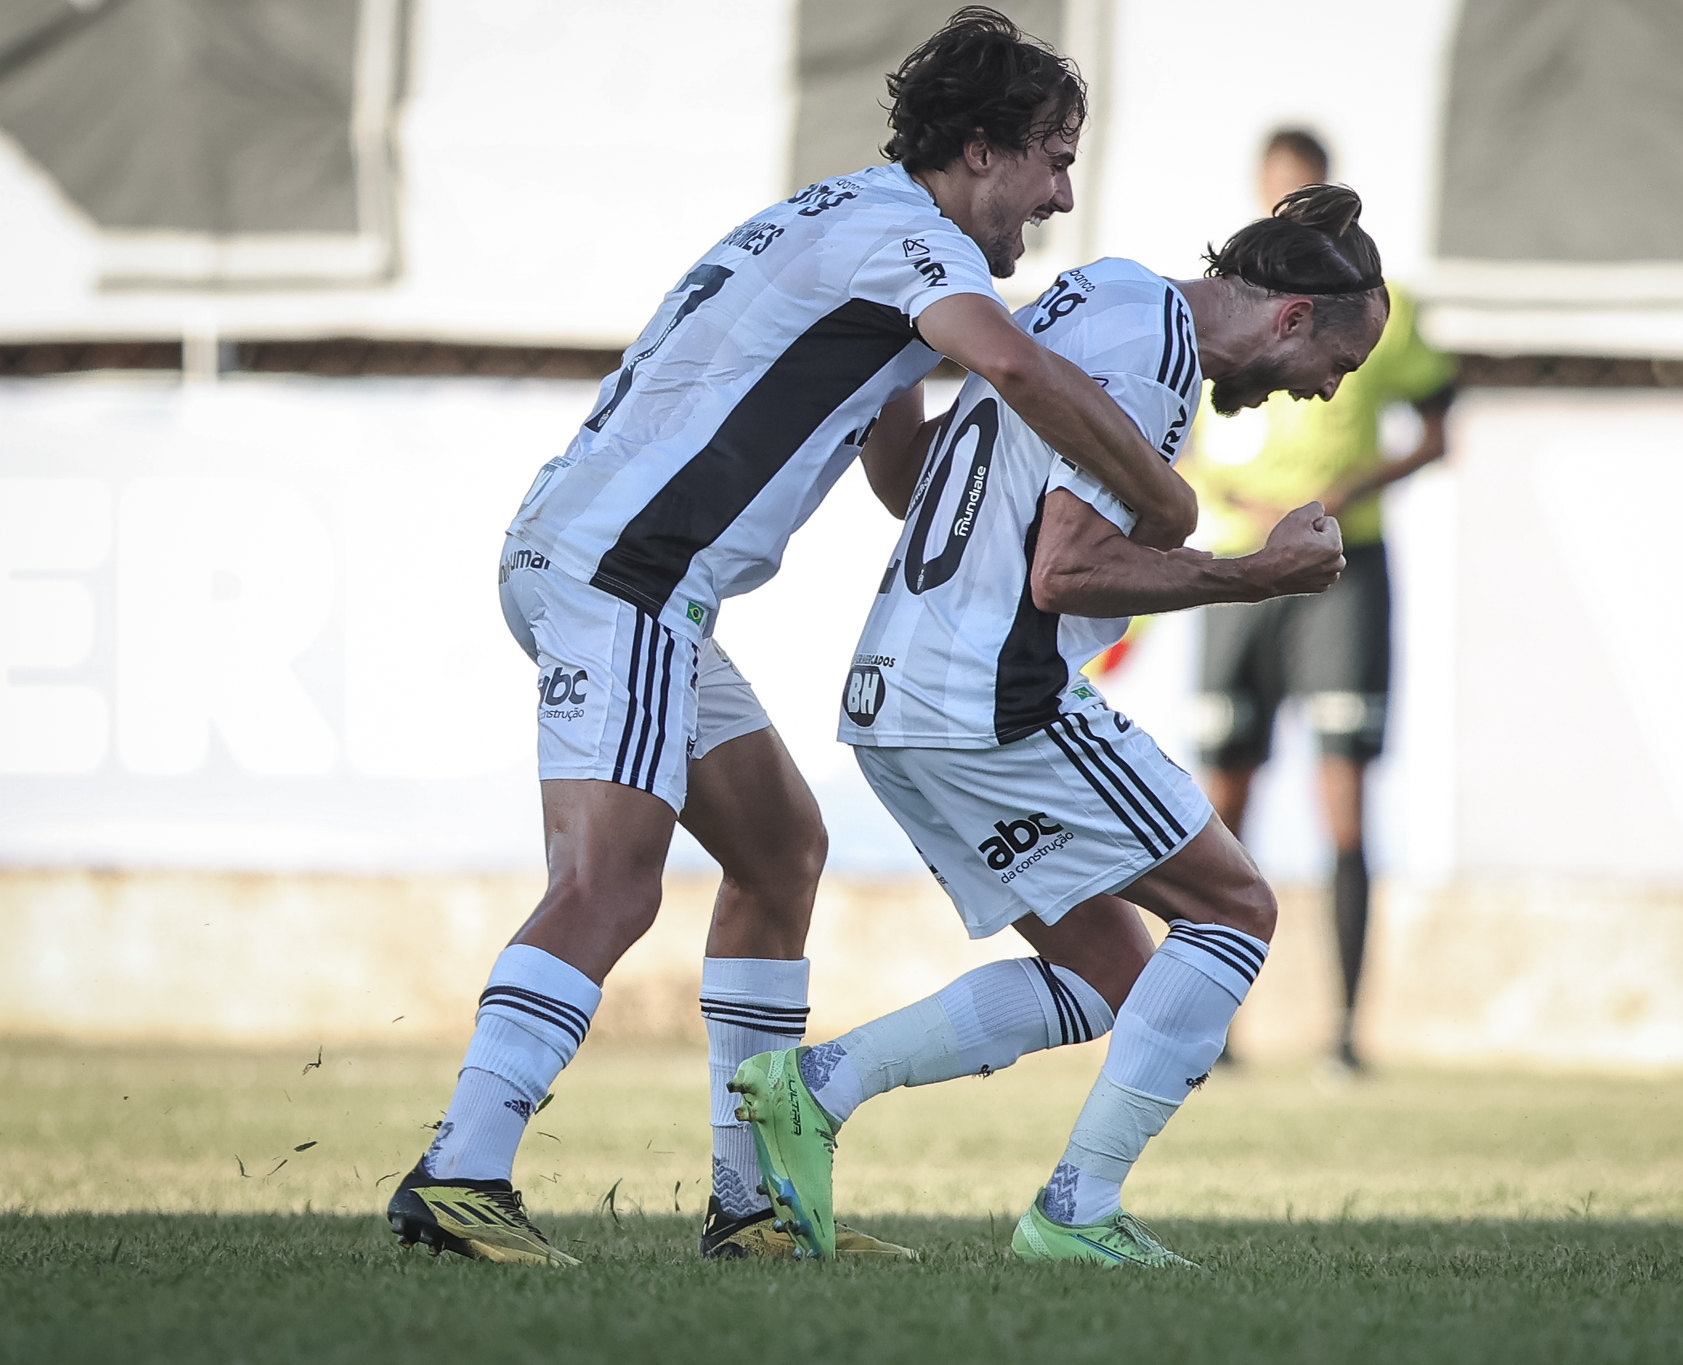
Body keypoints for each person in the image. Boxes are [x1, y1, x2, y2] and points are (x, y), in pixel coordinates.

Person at [385, 6, 1200, 1267]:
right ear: (978, 149)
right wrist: (1160, 496)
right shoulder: (921, 245)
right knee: (609, 884)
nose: (1060, 191)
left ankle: (753, 1199)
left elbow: (897, 467)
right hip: (628, 572)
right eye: (1051, 154)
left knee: (778, 850)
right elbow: (1021, 373)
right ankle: (461, 1174)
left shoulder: (851, 218)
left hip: (620, 567)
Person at [731, 185, 1388, 1267]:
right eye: (1337, 366)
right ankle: (1075, 1213)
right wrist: (1254, 572)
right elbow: (1068, 569)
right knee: (1232, 911)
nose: (1323, 393)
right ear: (1290, 318)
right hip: (990, 695)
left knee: (1110, 982)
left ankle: (813, 1088)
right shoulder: (1152, 355)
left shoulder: (1105, 293)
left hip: (898, 695)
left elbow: (932, 484)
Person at [1187, 129, 1456, 1073]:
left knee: (1343, 798)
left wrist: (1353, 490)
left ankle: (1344, 1031)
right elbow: (1165, 436)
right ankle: (1211, 1029)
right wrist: (1227, 504)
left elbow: (1438, 427)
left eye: (1303, 195)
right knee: (1222, 801)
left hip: (1344, 563)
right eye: (1275, 196)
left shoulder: (1383, 310)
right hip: (1231, 563)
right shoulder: (1218, 306)